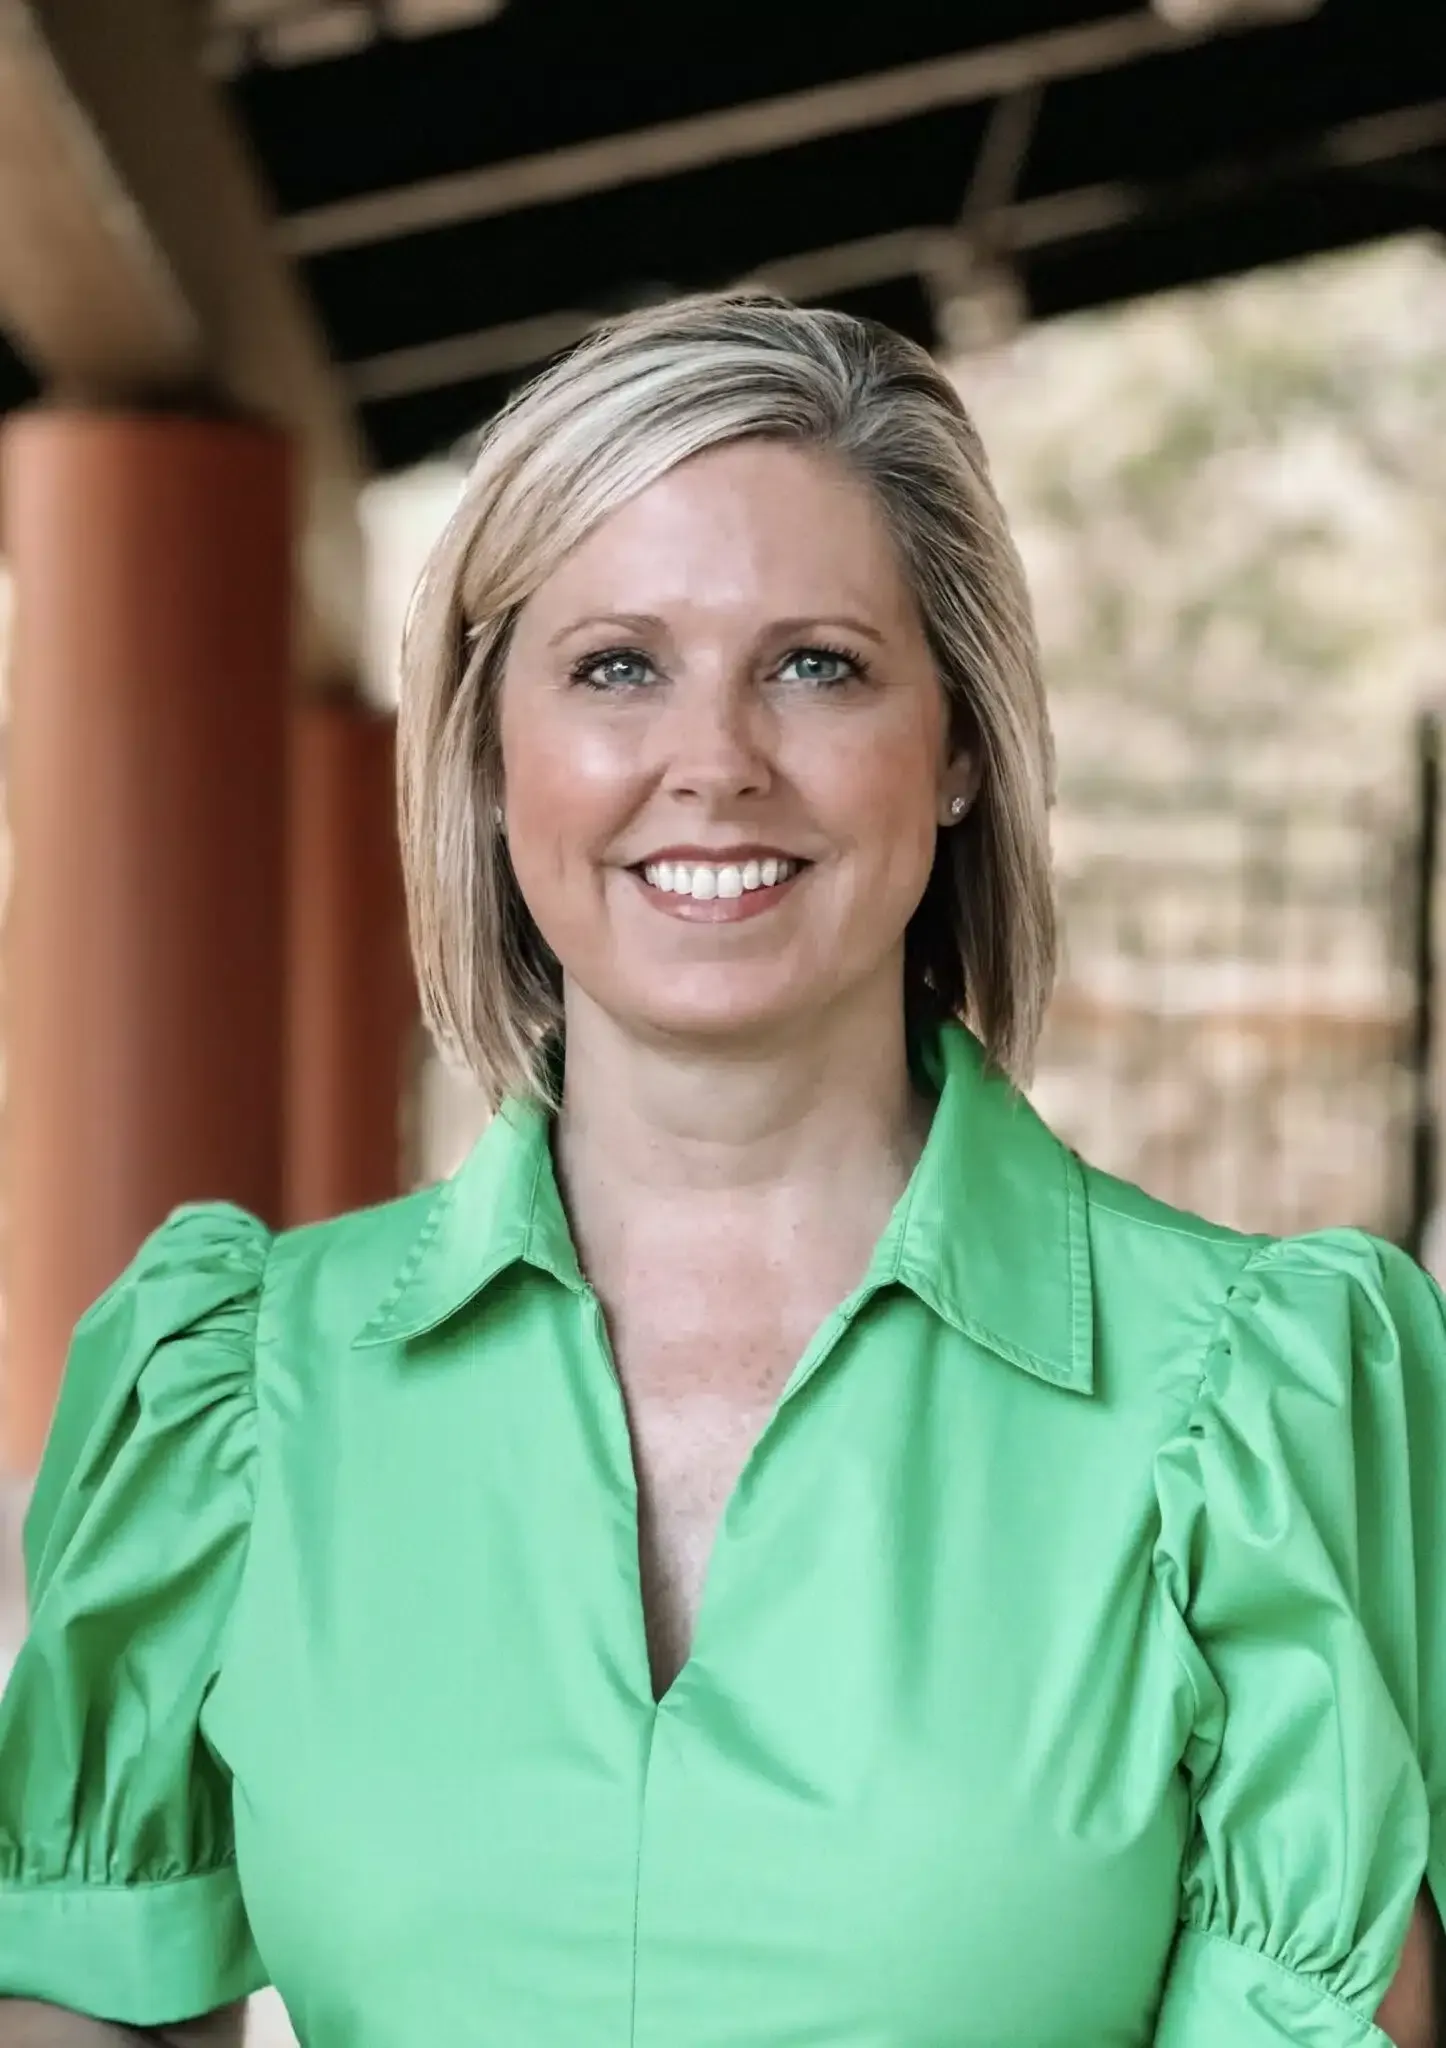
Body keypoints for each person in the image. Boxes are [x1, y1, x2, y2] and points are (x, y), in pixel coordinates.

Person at [0, 292, 1441, 2047]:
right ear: (486, 744)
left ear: (963, 744)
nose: (714, 765)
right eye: (617, 666)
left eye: (815, 664)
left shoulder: (1241, 1412)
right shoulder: (231, 1396)